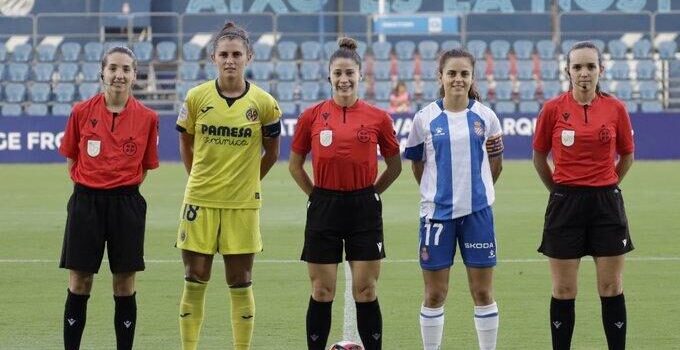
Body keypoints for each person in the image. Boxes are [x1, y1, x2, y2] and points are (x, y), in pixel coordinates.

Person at [289, 37, 402, 350]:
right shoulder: (310, 116)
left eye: (350, 73)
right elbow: (295, 165)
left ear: (360, 75)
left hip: (363, 206)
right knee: (321, 290)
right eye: (338, 73)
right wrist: (316, 195)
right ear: (329, 75)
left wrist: (371, 194)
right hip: (323, 205)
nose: (344, 79)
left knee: (365, 290)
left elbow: (394, 166)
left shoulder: (379, 117)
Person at [175, 22, 281, 350]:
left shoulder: (264, 103)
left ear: (249, 56)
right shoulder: (196, 98)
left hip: (243, 204)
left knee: (240, 280)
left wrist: (247, 181)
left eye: (237, 54)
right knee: (195, 277)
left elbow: (272, 152)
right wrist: (199, 180)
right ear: (213, 58)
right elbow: (186, 143)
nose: (230, 60)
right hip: (200, 201)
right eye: (224, 54)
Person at [532, 41, 634, 350]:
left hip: (606, 204)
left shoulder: (616, 108)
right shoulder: (552, 109)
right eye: (577, 67)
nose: (584, 73)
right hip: (565, 204)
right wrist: (560, 191)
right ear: (568, 71)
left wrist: (608, 184)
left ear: (601, 70)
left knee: (611, 286)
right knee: (563, 289)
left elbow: (627, 156)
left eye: (590, 66)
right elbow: (539, 157)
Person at [58, 46, 159, 350]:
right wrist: (93, 184)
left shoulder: (148, 117)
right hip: (85, 203)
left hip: (126, 204)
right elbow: (72, 159)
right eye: (113, 68)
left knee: (124, 284)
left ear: (134, 75)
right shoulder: (80, 112)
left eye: (126, 69)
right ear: (102, 72)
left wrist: (120, 187)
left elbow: (144, 167)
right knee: (79, 282)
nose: (119, 75)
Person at [404, 48, 504, 350]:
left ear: (472, 77)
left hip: (478, 215)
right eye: (452, 73)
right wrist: (438, 192)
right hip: (436, 216)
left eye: (464, 73)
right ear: (441, 76)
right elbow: (418, 164)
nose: (458, 79)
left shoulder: (486, 117)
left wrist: (478, 189)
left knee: (483, 293)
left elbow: (495, 162)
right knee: (435, 294)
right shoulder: (425, 118)